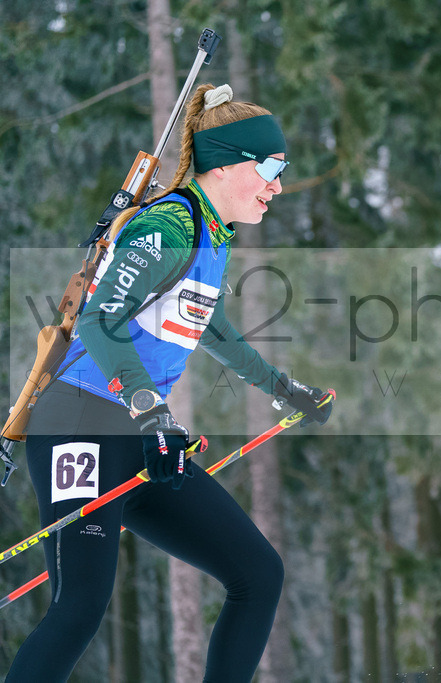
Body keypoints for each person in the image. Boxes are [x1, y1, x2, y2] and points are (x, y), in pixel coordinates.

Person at [6, 83, 331, 682]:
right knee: (80, 606)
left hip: (139, 435)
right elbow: (101, 321)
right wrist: (152, 412)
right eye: (272, 168)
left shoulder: (210, 236)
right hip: (81, 424)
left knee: (257, 574)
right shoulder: (169, 226)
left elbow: (212, 329)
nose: (278, 186)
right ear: (229, 165)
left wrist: (284, 390)